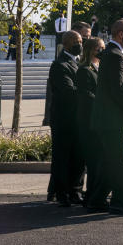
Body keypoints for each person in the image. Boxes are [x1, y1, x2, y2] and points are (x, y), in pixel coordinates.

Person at [87, 19, 123, 215]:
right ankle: (119, 202)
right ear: (121, 34)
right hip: (111, 120)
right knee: (117, 162)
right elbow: (119, 89)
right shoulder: (116, 56)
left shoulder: (110, 54)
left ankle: (97, 200)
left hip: (105, 119)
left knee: (110, 161)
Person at [47, 30, 83, 206]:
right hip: (64, 121)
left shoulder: (80, 62)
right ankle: (62, 193)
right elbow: (68, 92)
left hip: (78, 120)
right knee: (62, 158)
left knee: (78, 158)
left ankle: (75, 191)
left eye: (81, 41)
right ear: (67, 43)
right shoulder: (59, 65)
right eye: (77, 41)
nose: (80, 44)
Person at [76, 36, 104, 203]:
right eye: (100, 48)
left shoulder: (99, 67)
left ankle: (94, 193)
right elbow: (86, 95)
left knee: (99, 161)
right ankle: (92, 196)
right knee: (94, 161)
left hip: (98, 120)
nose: (102, 51)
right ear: (92, 50)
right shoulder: (84, 70)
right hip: (89, 122)